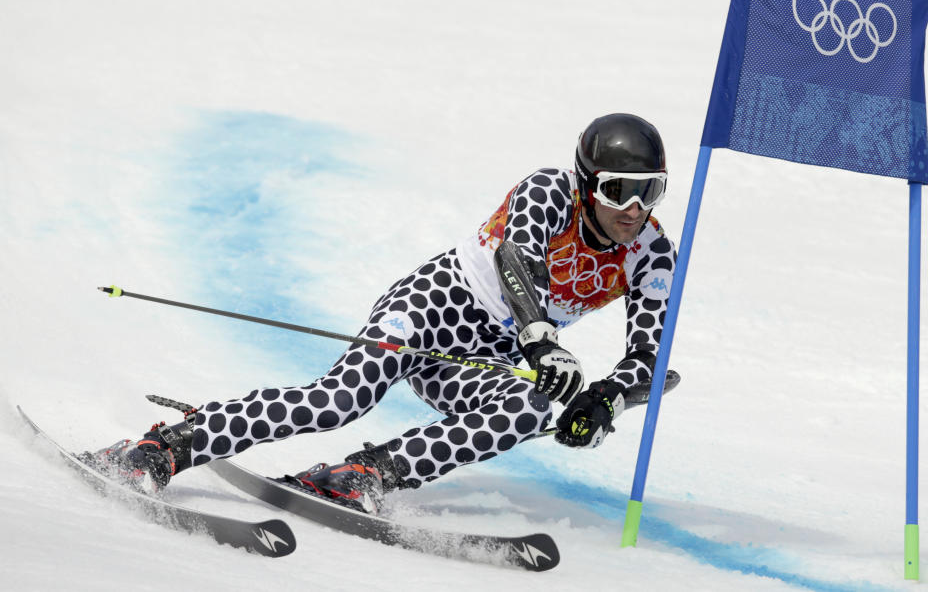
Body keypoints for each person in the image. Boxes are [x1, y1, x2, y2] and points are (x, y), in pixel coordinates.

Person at [89, 113, 677, 515]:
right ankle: (162, 449)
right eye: (617, 189)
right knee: (338, 401)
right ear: (585, 183)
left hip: (488, 353)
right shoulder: (549, 191)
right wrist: (542, 339)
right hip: (433, 306)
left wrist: (605, 401)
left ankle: (363, 476)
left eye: (648, 191)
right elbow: (514, 259)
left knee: (528, 407)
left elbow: (649, 357)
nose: (631, 208)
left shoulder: (650, 253)